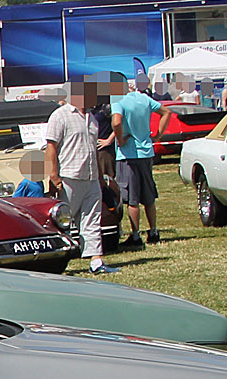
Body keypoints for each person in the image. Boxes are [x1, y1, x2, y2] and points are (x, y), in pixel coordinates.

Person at [45, 81, 116, 274]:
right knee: (63, 221)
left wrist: (100, 178)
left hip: (91, 177)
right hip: (69, 175)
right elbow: (51, 146)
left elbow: (93, 150)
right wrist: (53, 174)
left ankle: (96, 261)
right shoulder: (60, 115)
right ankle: (55, 261)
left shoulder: (92, 119)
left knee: (92, 219)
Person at [110, 82, 164, 246]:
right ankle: (153, 230)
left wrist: (120, 139)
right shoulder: (144, 98)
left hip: (128, 154)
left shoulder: (118, 101)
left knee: (132, 198)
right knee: (148, 196)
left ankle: (135, 234)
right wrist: (158, 135)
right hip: (146, 152)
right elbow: (166, 112)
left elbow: (117, 122)